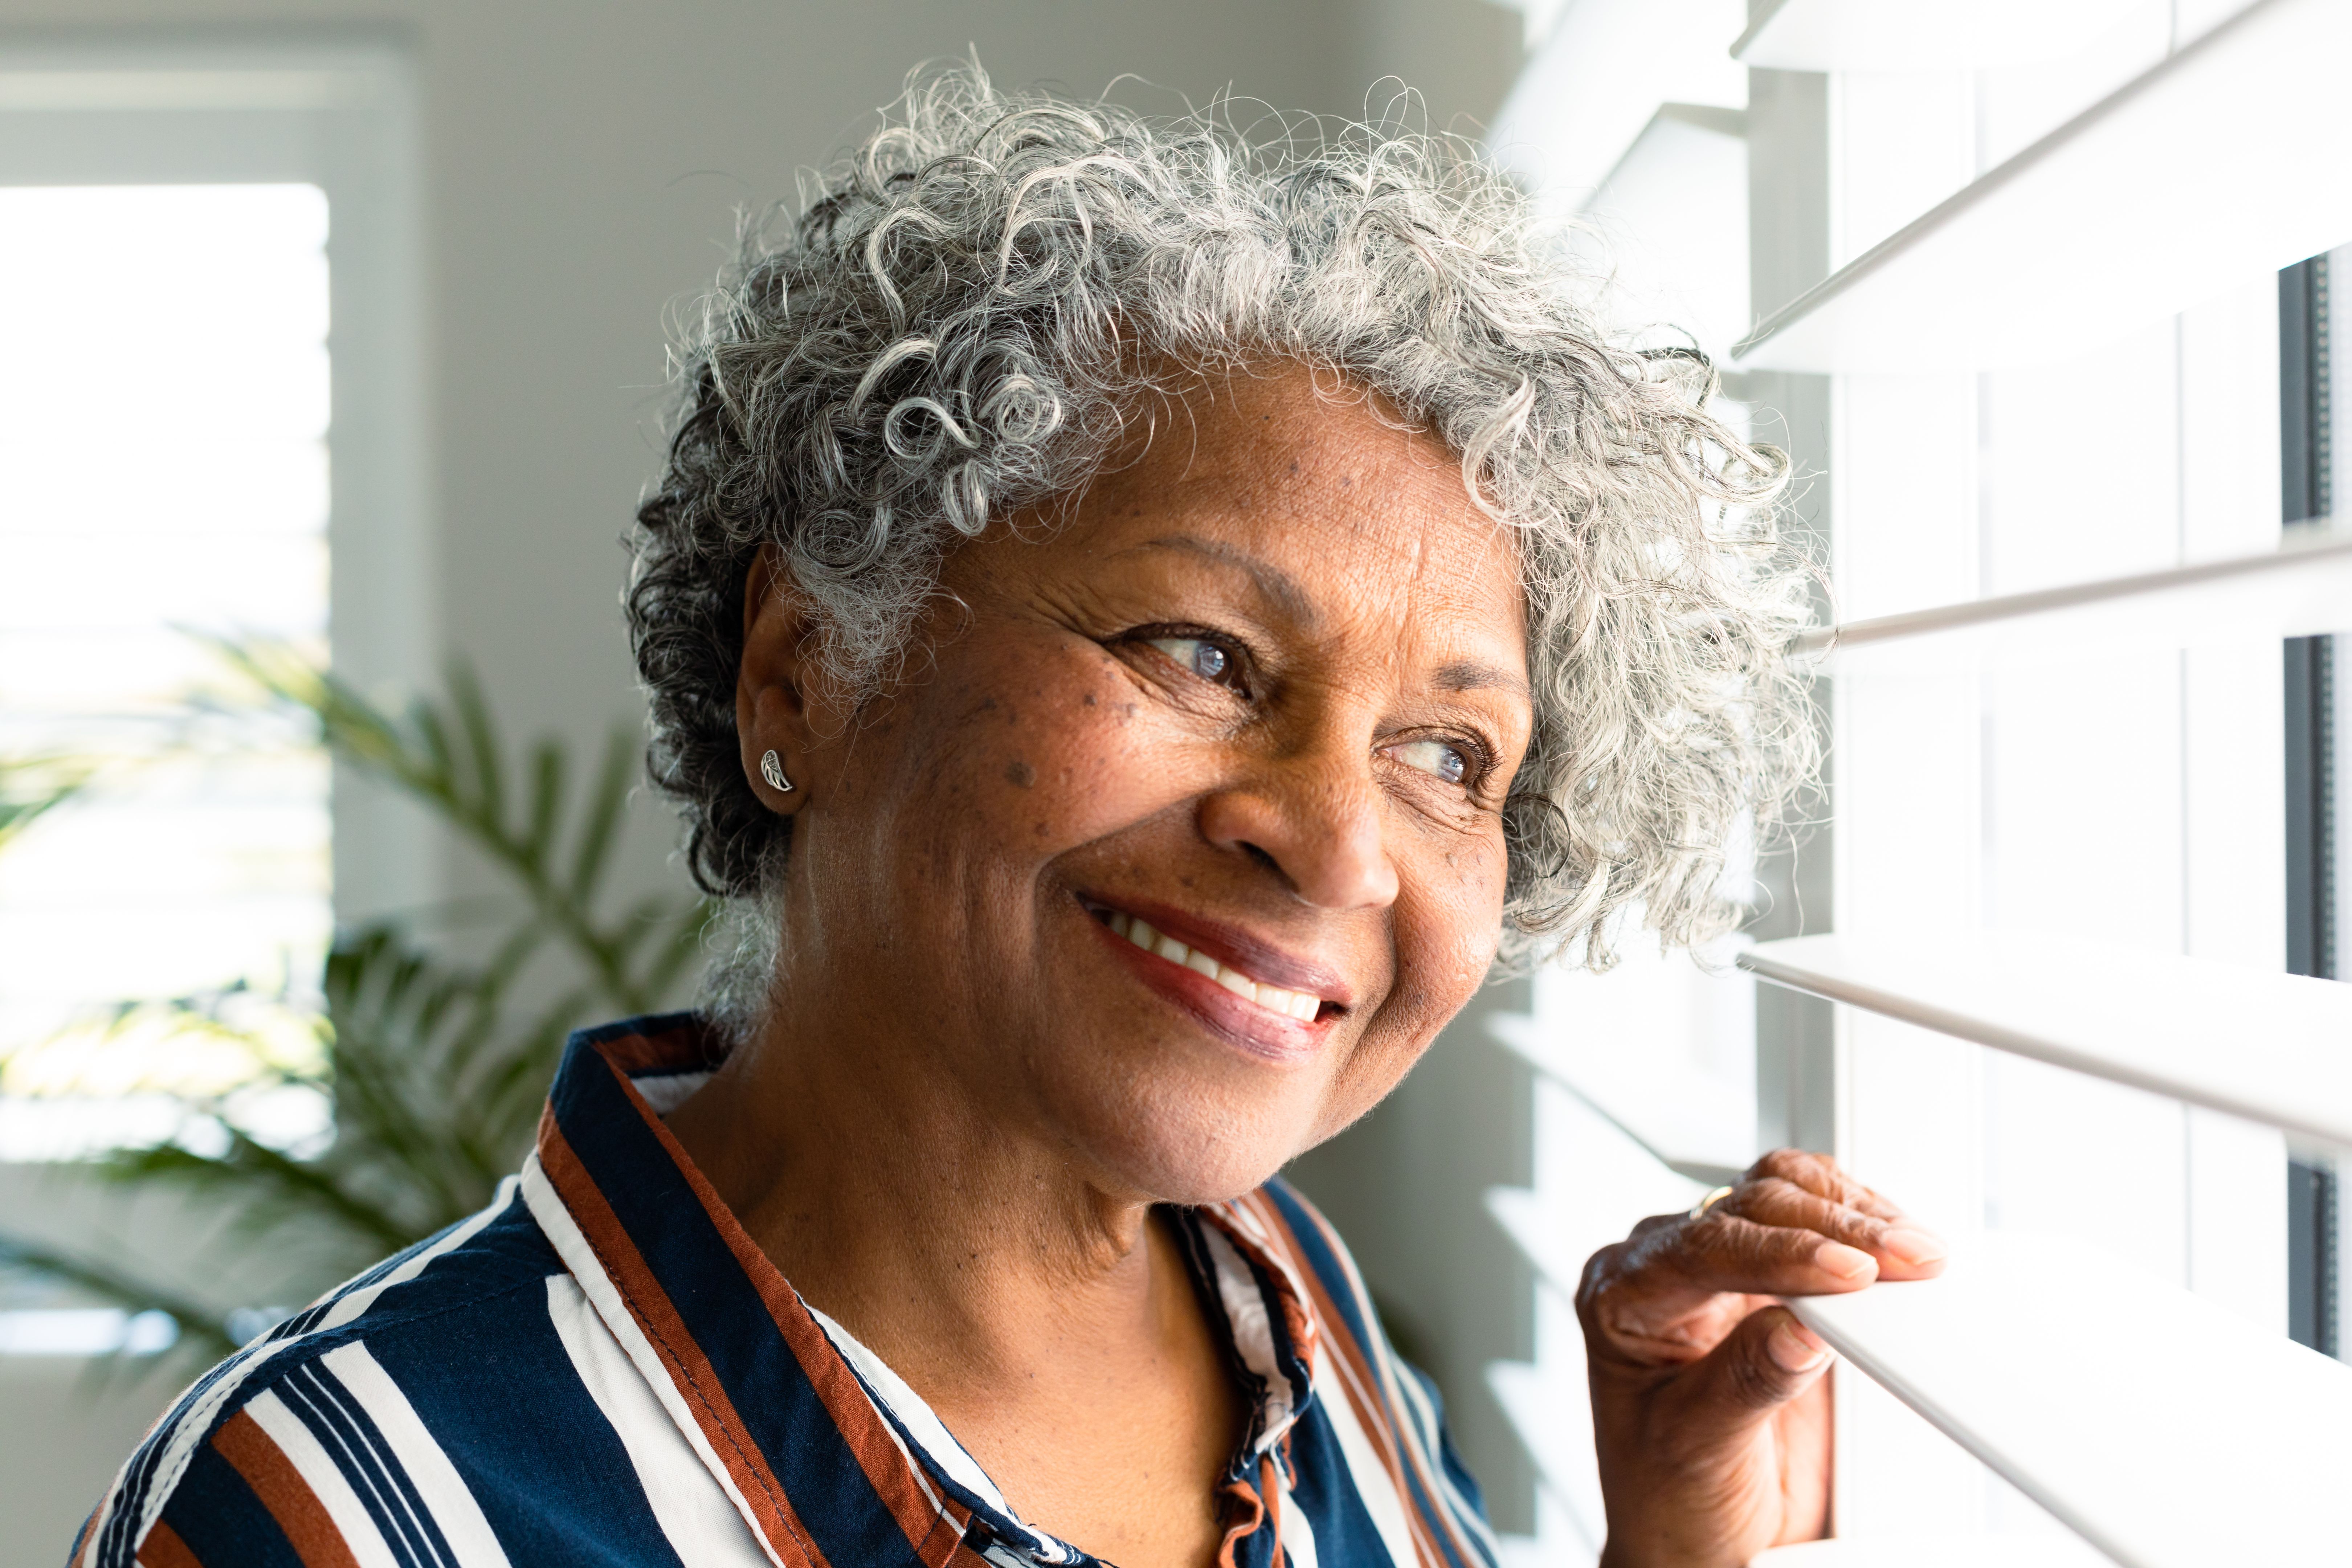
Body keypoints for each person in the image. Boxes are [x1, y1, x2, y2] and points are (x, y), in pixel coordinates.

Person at [72, 65, 1943, 1568]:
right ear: (806, 673)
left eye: (1453, 757)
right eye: (1201, 654)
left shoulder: (1292, 1314)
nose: (1342, 845)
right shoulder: (321, 1517)